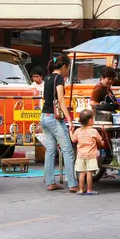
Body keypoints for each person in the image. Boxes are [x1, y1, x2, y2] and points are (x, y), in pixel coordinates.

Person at [41, 54, 78, 192]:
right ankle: (73, 184)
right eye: (68, 68)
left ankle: (51, 182)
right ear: (64, 67)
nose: (68, 71)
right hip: (54, 119)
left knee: (50, 151)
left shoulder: (48, 77)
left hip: (44, 116)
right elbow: (61, 100)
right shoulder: (59, 78)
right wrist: (69, 119)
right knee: (68, 151)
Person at [71, 109, 104, 195]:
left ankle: (81, 190)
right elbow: (100, 141)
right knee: (89, 173)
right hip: (91, 155)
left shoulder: (78, 131)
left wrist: (70, 132)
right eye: (93, 119)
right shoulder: (94, 131)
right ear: (90, 120)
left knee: (81, 173)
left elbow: (73, 140)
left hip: (80, 156)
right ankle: (89, 190)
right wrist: (102, 143)